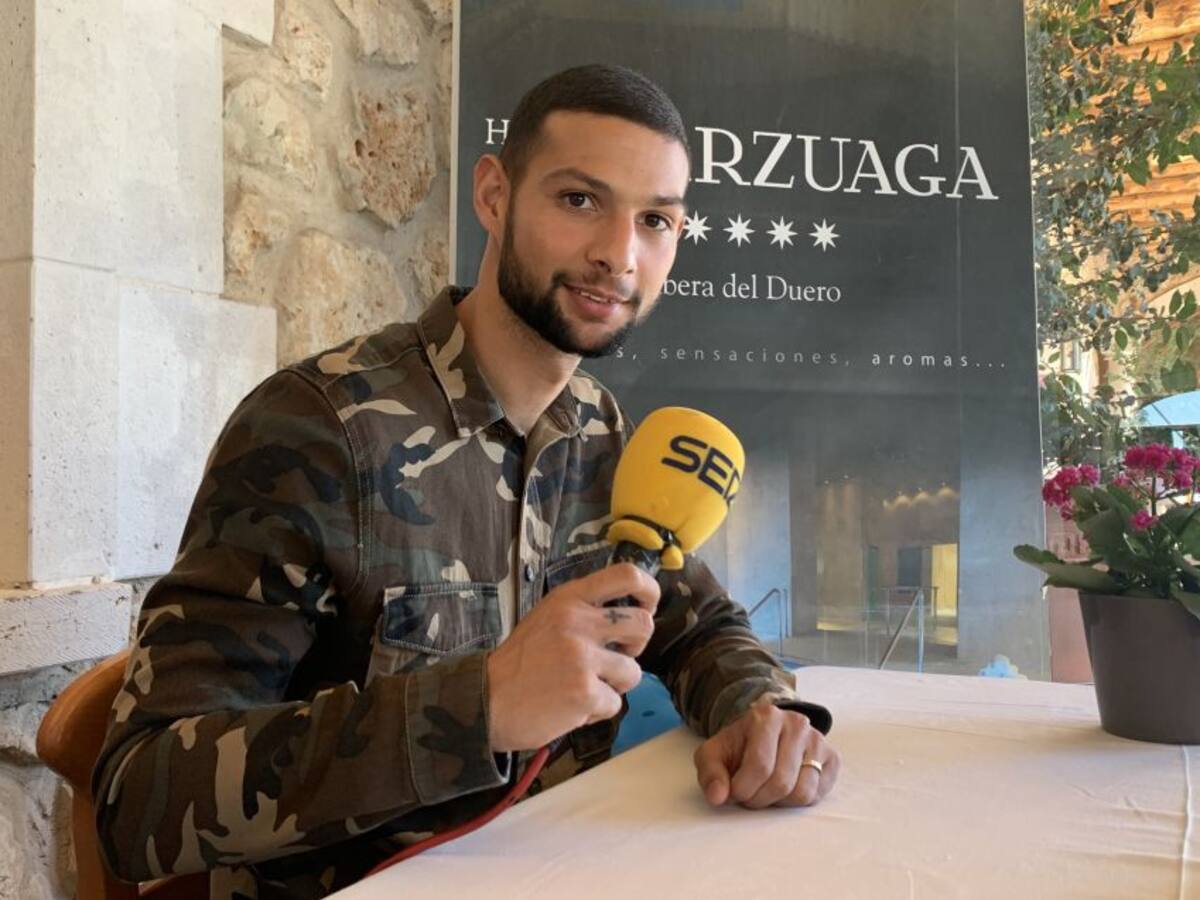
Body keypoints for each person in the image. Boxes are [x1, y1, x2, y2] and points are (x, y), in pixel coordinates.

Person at [93, 63, 839, 899]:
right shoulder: (317, 430)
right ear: (493, 195)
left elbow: (700, 628)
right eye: (579, 200)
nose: (618, 255)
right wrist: (475, 707)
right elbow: (139, 799)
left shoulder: (602, 432)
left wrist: (759, 712)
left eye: (656, 220)